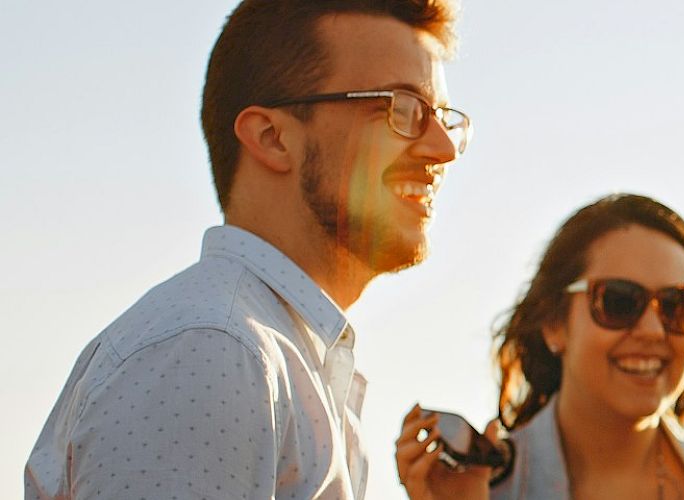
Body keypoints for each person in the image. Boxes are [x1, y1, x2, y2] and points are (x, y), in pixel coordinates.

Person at [24, 0, 466, 497]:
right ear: (272, 138)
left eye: (444, 118)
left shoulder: (280, 359)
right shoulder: (212, 351)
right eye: (401, 109)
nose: (443, 149)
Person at [396, 194, 684, 500]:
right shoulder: (477, 487)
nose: (652, 330)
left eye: (678, 306)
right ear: (553, 323)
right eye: (619, 301)